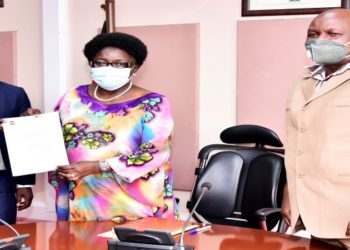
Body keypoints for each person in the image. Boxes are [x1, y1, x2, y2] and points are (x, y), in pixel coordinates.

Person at [49, 32, 176, 222]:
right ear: (91, 64)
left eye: (118, 63)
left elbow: (154, 153)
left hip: (132, 205)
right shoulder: (72, 98)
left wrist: (97, 167)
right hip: (82, 200)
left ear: (135, 67)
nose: (109, 68)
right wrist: (27, 124)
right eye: (101, 62)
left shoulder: (154, 103)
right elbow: (52, 139)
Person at [282, 8, 350, 249]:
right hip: (315, 212)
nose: (319, 40)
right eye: (313, 33)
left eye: (332, 34)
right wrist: (290, 194)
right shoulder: (302, 83)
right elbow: (297, 145)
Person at [0, 81, 39, 224]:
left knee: (4, 237)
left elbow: (24, 139)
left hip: (2, 182)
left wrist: (24, 184)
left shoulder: (15, 93)